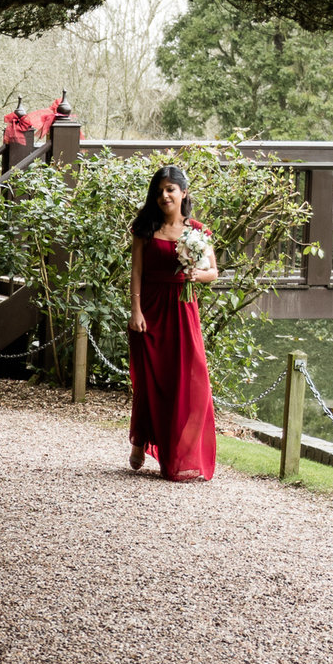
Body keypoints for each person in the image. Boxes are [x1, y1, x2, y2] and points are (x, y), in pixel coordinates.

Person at [125, 163, 219, 480]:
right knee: (151, 383)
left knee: (191, 383)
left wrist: (197, 274)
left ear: (183, 193)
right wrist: (135, 311)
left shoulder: (197, 231)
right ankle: (140, 439)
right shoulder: (144, 228)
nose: (164, 196)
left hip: (183, 310)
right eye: (160, 191)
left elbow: (213, 273)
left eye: (170, 190)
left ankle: (181, 456)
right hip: (149, 311)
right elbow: (136, 273)